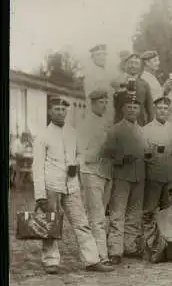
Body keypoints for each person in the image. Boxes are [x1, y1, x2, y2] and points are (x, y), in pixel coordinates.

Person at [32, 96, 113, 274]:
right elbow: (37, 167)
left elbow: (81, 153)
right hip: (51, 185)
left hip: (71, 185)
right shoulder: (43, 136)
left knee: (81, 222)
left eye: (63, 109)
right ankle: (50, 261)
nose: (60, 112)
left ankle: (92, 260)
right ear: (49, 111)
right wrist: (40, 195)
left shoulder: (72, 132)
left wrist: (76, 163)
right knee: (51, 223)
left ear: (67, 111)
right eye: (56, 109)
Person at [102, 93, 147, 264]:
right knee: (117, 213)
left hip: (139, 177)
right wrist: (121, 159)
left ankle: (129, 247)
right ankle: (115, 250)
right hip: (121, 177)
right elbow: (105, 154)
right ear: (123, 109)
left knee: (134, 214)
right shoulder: (115, 130)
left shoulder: (142, 130)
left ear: (139, 110)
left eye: (135, 107)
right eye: (129, 107)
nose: (132, 110)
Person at [77, 89, 114, 265]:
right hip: (91, 172)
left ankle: (98, 252)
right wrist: (103, 149)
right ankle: (100, 256)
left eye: (106, 102)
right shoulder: (85, 124)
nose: (104, 105)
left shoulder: (106, 122)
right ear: (92, 103)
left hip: (106, 172)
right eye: (101, 102)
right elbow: (82, 154)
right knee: (96, 216)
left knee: (101, 215)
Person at [142, 96, 172, 253]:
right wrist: (149, 153)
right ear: (154, 109)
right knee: (149, 211)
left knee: (168, 212)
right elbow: (143, 156)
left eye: (166, 108)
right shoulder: (146, 130)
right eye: (160, 108)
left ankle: (168, 245)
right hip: (153, 176)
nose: (162, 111)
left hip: (171, 176)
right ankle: (147, 244)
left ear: (169, 111)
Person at [113, 53, 154, 126]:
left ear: (140, 66)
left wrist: (150, 128)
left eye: (136, 63)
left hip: (139, 125)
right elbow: (111, 105)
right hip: (120, 125)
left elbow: (150, 110)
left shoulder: (144, 85)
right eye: (130, 63)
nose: (133, 66)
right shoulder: (116, 82)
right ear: (125, 65)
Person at [83, 44, 114, 124]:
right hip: (95, 112)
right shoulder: (90, 73)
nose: (102, 57)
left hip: (107, 110)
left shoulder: (106, 73)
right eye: (98, 55)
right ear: (92, 58)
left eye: (104, 54)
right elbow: (89, 96)